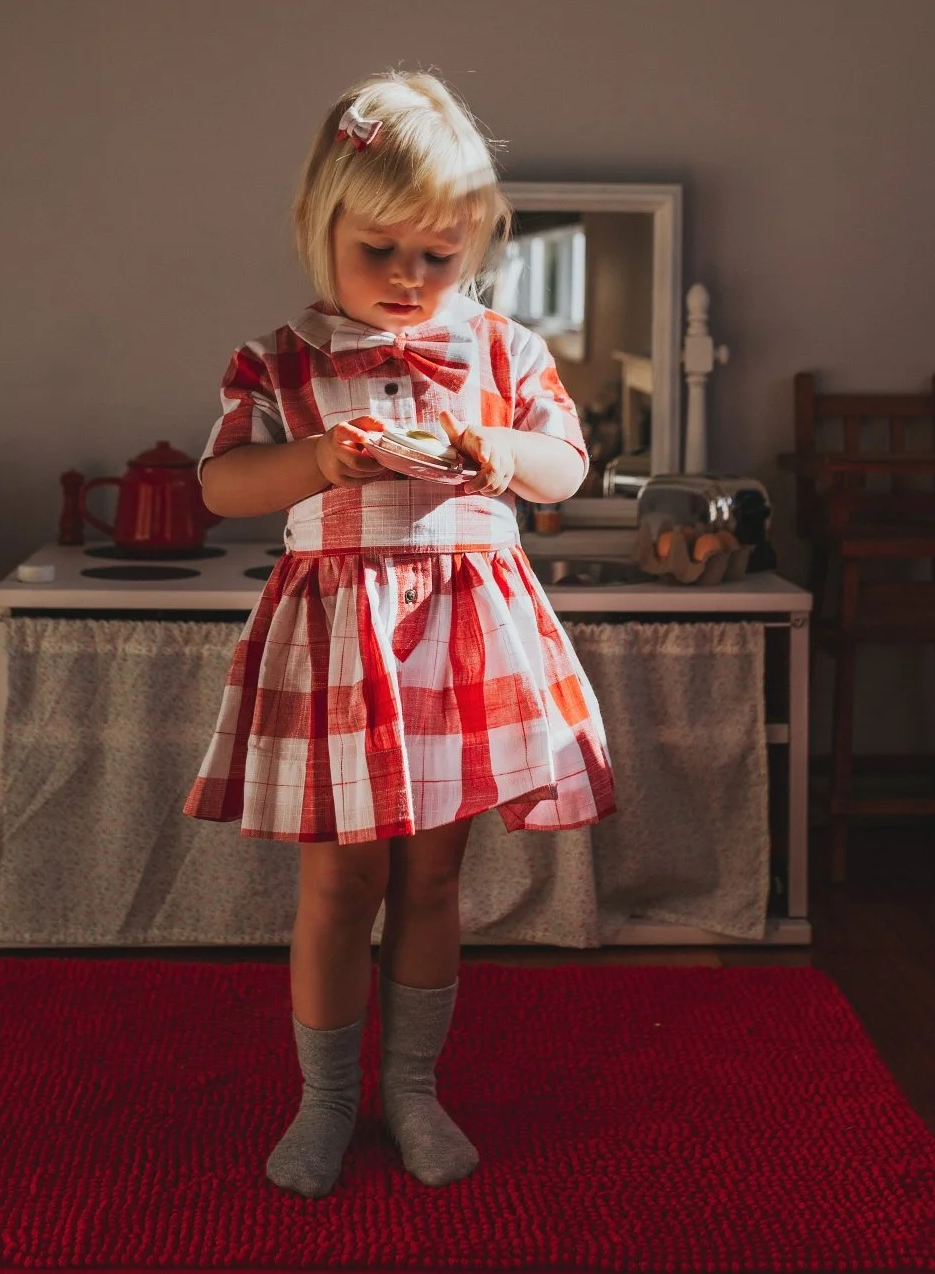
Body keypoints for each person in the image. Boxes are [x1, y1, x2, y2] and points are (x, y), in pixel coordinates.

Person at [184, 70, 616, 1199]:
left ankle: (413, 1090)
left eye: (439, 253)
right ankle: (326, 1099)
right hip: (340, 651)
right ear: (319, 226)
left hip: (459, 644)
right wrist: (320, 460)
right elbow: (223, 484)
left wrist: (499, 452)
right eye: (381, 251)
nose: (410, 279)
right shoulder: (281, 359)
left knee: (432, 885)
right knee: (337, 889)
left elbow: (566, 464)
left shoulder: (507, 351)